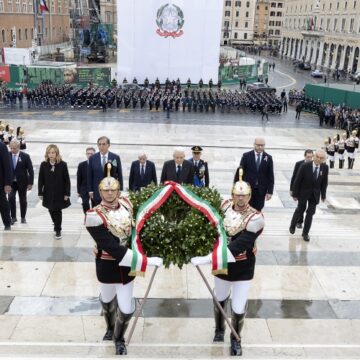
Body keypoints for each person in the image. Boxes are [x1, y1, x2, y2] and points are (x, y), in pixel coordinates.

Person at [85, 164, 163, 355]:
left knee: (126, 308)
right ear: (100, 191)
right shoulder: (94, 216)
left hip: (126, 269)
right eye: (106, 190)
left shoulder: (127, 204)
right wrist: (146, 261)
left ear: (119, 190)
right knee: (108, 300)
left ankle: (119, 339)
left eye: (113, 190)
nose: (110, 193)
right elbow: (112, 248)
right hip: (107, 265)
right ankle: (110, 327)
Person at [190, 169, 264, 356]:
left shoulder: (256, 217)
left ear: (249, 196)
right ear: (232, 195)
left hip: (243, 266)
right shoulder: (223, 207)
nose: (240, 199)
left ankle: (235, 338)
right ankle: (219, 329)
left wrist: (208, 258)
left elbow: (241, 244)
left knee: (238, 307)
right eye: (237, 195)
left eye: (244, 196)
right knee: (220, 299)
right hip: (222, 267)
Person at [289, 149, 328, 242]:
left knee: (310, 214)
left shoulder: (325, 167)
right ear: (314, 156)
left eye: (321, 158)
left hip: (315, 194)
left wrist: (323, 195)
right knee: (300, 209)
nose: (318, 159)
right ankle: (293, 225)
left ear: (323, 159)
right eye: (317, 157)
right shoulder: (305, 166)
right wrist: (295, 193)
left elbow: (324, 182)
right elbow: (297, 180)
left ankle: (305, 233)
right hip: (303, 192)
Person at [38, 144, 71, 239]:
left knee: (57, 210)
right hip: (48, 192)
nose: (51, 154)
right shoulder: (43, 164)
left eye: (53, 152)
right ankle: (56, 223)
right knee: (50, 209)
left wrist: (67, 193)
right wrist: (40, 192)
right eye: (49, 152)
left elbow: (67, 180)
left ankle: (58, 230)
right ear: (47, 154)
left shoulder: (63, 164)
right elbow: (41, 179)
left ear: (57, 153)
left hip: (59, 192)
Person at [233, 138, 274, 211]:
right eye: (258, 145)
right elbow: (240, 172)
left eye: (262, 145)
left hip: (261, 190)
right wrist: (238, 186)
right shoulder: (246, 156)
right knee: (247, 208)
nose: (260, 147)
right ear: (254, 145)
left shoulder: (268, 158)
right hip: (248, 189)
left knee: (258, 209)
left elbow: (270, 176)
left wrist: (270, 191)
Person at [88, 136, 123, 206]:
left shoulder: (115, 157)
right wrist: (90, 190)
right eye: (99, 144)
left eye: (104, 144)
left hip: (111, 192)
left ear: (108, 145)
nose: (101, 146)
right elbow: (89, 175)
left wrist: (120, 189)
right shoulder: (92, 158)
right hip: (97, 191)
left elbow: (119, 174)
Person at [8, 139, 34, 224]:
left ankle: (23, 217)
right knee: (11, 198)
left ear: (18, 147)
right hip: (11, 182)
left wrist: (30, 183)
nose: (12, 150)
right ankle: (13, 217)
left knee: (23, 199)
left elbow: (31, 170)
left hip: (23, 182)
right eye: (11, 148)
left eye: (14, 148)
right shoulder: (7, 155)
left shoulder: (25, 156)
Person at [289, 149, 313, 230]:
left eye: (311, 157)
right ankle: (299, 221)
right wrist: (292, 189)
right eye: (307, 157)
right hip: (300, 189)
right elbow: (294, 177)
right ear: (304, 156)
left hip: (311, 190)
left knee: (308, 209)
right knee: (301, 206)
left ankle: (300, 222)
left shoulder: (314, 164)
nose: (309, 158)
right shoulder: (299, 164)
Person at [77, 147, 96, 214]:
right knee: (85, 204)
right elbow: (79, 178)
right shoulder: (81, 165)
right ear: (86, 154)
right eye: (88, 154)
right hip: (84, 188)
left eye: (91, 154)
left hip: (94, 188)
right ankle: (87, 217)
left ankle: (94, 219)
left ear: (95, 154)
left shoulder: (97, 164)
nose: (90, 155)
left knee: (95, 205)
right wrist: (78, 191)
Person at [0, 141, 12, 230]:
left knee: (2, 203)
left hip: (0, 182)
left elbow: (7, 166)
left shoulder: (2, 146)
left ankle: (7, 223)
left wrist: (7, 183)